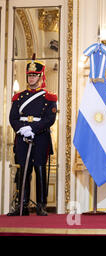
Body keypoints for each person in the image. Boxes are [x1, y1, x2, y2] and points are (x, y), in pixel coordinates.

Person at [8, 56, 57, 216]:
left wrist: (32, 128)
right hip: (22, 136)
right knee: (24, 169)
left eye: (34, 75)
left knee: (39, 168)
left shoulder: (49, 98)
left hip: (40, 137)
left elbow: (50, 119)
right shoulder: (18, 97)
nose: (31, 78)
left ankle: (41, 205)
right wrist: (22, 129)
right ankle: (22, 205)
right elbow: (13, 118)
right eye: (29, 75)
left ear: (41, 77)